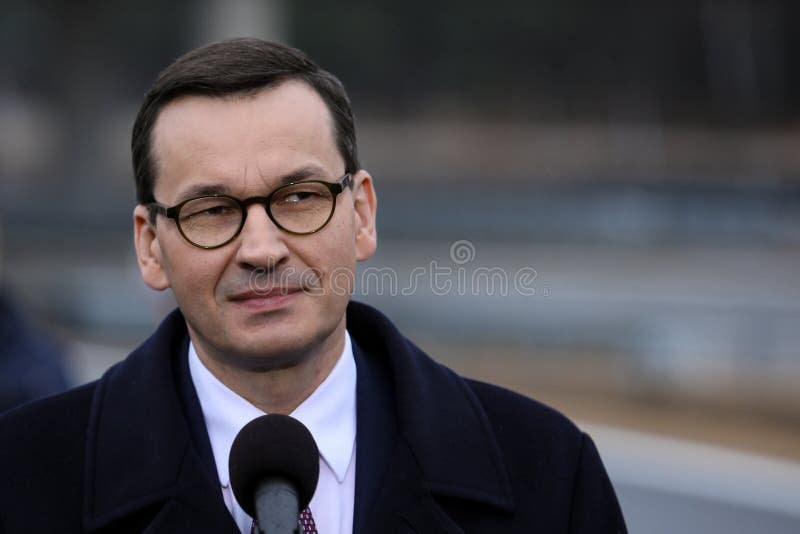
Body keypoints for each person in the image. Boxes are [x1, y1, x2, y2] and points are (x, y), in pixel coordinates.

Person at [0, 38, 626, 533]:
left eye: (299, 198)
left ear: (362, 214)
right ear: (149, 245)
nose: (263, 250)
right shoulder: (21, 482)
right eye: (212, 211)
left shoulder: (547, 474)